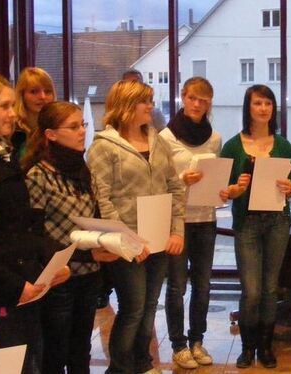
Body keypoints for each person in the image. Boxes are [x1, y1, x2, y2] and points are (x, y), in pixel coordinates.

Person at [0, 76, 69, 374]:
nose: (14, 113)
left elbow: (20, 225)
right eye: (5, 106)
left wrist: (52, 256)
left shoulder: (2, 155)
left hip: (22, 284)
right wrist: (13, 284)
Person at [87, 80, 184, 374]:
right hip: (127, 243)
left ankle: (142, 362)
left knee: (149, 306)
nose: (150, 106)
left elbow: (174, 188)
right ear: (127, 104)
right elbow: (102, 198)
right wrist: (125, 241)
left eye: (151, 101)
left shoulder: (159, 141)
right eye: (145, 101)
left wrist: (177, 230)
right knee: (133, 308)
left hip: (158, 239)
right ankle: (120, 368)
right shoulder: (103, 147)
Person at [24, 101, 117, 373]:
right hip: (58, 278)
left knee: (81, 350)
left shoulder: (84, 170)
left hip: (89, 274)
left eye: (83, 125)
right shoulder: (38, 176)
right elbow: (36, 235)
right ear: (50, 134)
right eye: (74, 126)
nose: (81, 132)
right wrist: (85, 253)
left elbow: (96, 216)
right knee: (55, 351)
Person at [220, 84, 291, 369]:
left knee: (270, 288)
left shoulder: (283, 144)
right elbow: (222, 191)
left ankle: (265, 346)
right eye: (257, 103)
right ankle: (247, 347)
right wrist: (235, 188)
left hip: (278, 221)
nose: (263, 108)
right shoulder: (232, 145)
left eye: (268, 103)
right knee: (251, 290)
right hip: (247, 223)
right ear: (247, 108)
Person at [159, 77, 221, 369]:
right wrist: (183, 180)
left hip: (206, 218)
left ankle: (197, 340)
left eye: (204, 100)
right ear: (183, 97)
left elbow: (217, 174)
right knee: (176, 286)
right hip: (177, 220)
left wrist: (221, 187)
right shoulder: (166, 138)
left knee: (204, 285)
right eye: (193, 98)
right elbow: (160, 181)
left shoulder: (215, 138)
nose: (198, 104)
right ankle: (178, 345)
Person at [14, 67, 56, 154]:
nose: (42, 97)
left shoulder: (58, 126)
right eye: (34, 92)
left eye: (48, 91)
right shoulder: (12, 129)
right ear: (22, 95)